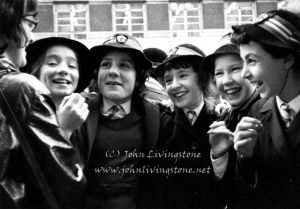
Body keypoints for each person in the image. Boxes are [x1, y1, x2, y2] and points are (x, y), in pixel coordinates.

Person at [0, 0, 85, 208]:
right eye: (30, 23)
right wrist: (61, 133)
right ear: (8, 21)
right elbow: (62, 188)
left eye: (72, 65)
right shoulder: (24, 88)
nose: (32, 36)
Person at [71, 33, 160, 209]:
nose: (112, 71)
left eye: (124, 65)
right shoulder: (77, 114)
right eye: (106, 64)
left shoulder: (158, 115)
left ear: (138, 78)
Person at [230, 9, 300, 208]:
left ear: (287, 59)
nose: (244, 74)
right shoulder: (256, 112)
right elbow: (246, 198)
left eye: (251, 61)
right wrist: (244, 157)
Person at [156, 43, 222, 209]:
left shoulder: (220, 119)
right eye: (168, 80)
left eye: (183, 75)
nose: (174, 85)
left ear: (203, 78)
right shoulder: (161, 120)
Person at [202, 43, 260, 208]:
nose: (227, 80)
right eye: (219, 73)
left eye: (235, 69)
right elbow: (222, 193)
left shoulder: (270, 113)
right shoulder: (223, 119)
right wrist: (219, 155)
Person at [21, 37, 93, 133]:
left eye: (71, 66)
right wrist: (64, 129)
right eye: (52, 63)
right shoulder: (15, 116)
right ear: (34, 71)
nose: (63, 70)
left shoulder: (90, 118)